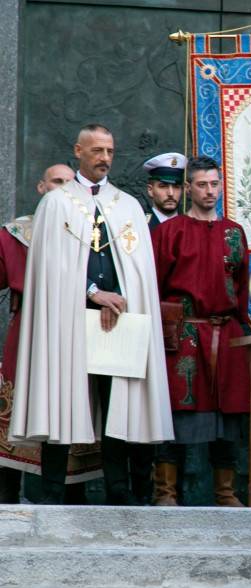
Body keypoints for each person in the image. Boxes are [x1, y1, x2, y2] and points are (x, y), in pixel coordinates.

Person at [11, 124, 172, 505]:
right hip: (67, 318)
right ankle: (52, 492)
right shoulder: (56, 203)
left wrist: (122, 299)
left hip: (116, 321)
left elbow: (138, 269)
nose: (104, 158)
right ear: (78, 151)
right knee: (60, 396)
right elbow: (53, 267)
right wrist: (93, 293)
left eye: (110, 151)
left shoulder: (128, 205)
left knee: (119, 403)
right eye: (97, 150)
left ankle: (119, 490)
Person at [150, 156, 251, 507]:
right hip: (184, 336)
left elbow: (240, 288)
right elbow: (156, 287)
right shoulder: (169, 232)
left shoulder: (234, 233)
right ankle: (166, 492)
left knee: (229, 416)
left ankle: (225, 492)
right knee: (175, 411)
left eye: (214, 184)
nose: (210, 191)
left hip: (225, 335)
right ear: (188, 188)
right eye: (202, 185)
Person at [0, 163, 102, 502]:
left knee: (71, 411)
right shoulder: (15, 233)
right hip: (28, 335)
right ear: (41, 187)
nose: (63, 190)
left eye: (69, 184)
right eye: (56, 182)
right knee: (15, 410)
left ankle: (72, 501)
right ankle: (7, 500)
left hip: (75, 335)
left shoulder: (91, 232)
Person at [143, 152, 186, 231]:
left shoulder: (189, 227)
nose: (171, 193)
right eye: (163, 186)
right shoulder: (140, 224)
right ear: (150, 190)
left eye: (176, 187)